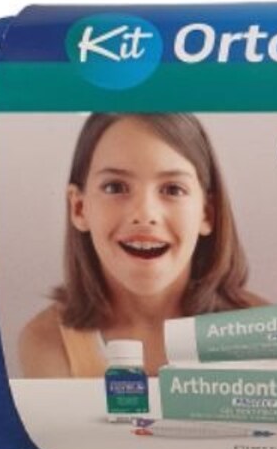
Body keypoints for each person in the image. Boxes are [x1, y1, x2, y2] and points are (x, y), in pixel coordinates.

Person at [19, 112, 263, 377]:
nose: (145, 214)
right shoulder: (47, 341)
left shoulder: (266, 331)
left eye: (172, 189)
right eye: (115, 187)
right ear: (79, 208)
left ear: (207, 213)